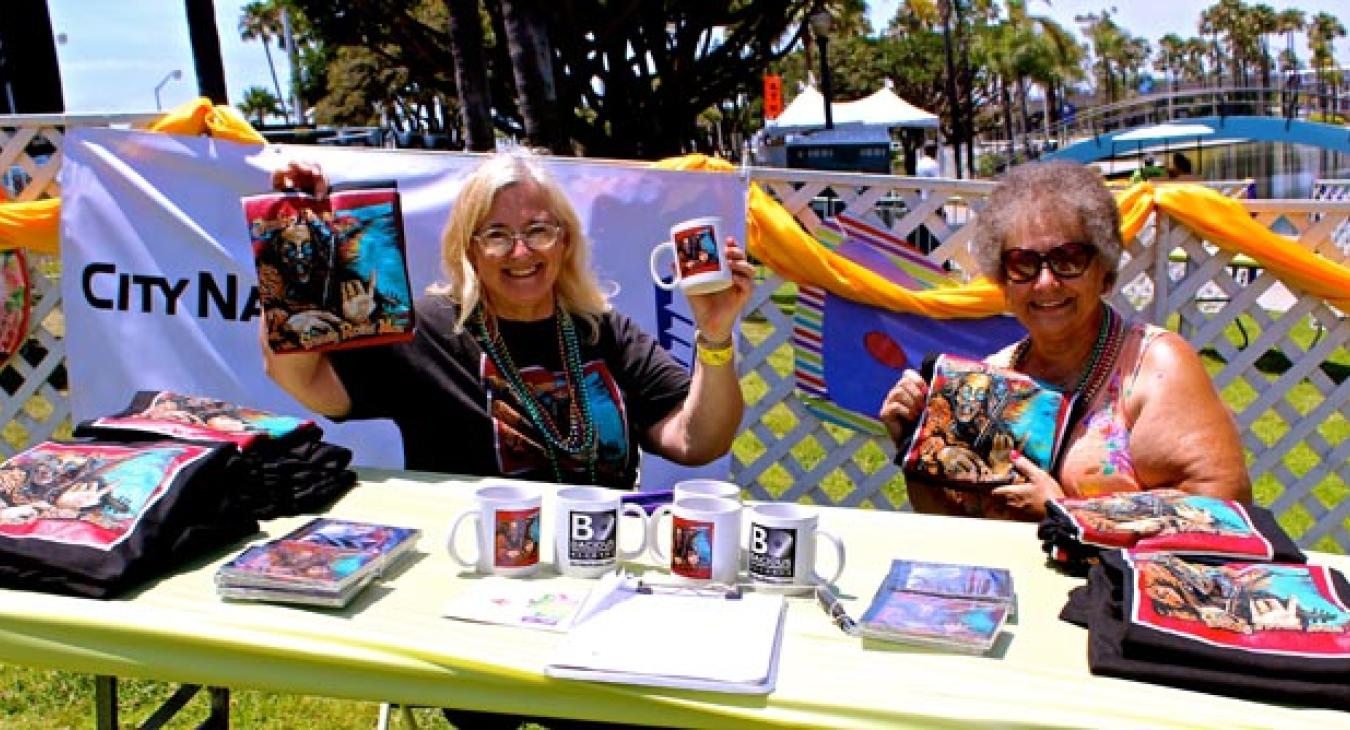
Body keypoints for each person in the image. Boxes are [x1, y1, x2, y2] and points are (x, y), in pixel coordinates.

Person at [264, 151, 755, 490]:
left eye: (538, 230)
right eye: (496, 235)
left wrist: (714, 336)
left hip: (594, 562)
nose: (521, 252)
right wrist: (295, 230)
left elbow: (699, 441)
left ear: (564, 241)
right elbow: (303, 378)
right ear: (469, 250)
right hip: (475, 572)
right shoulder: (429, 331)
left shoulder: (600, 330)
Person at [879, 160, 1252, 521]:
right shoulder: (993, 376)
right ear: (1004, 282)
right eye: (1023, 263)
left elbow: (1225, 504)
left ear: (1104, 271)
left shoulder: (1154, 365)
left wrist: (1068, 515)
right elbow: (957, 524)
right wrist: (913, 445)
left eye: (1069, 259)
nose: (1045, 282)